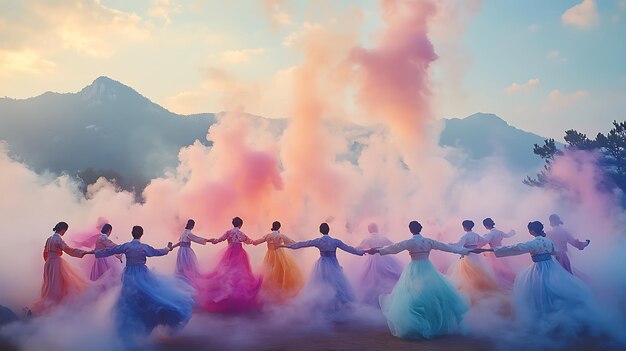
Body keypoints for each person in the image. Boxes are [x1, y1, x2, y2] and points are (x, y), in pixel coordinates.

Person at [472, 221, 603, 338]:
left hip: (540, 269)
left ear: (532, 231)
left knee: (540, 291)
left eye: (529, 230)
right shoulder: (547, 241)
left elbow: (515, 248)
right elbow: (555, 252)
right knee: (554, 290)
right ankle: (558, 317)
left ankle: (547, 319)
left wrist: (487, 249)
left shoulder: (534, 243)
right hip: (551, 267)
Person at [366, 221, 470, 339]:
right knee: (433, 294)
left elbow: (394, 248)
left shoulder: (409, 242)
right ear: (420, 229)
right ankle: (434, 322)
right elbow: (446, 247)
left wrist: (378, 250)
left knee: (413, 295)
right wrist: (465, 251)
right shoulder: (428, 241)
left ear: (411, 230)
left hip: (414, 269)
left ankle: (419, 324)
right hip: (428, 268)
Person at [94, 226, 193, 344]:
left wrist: (94, 252)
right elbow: (158, 252)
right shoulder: (143, 247)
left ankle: (127, 331)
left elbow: (110, 251)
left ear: (132, 234)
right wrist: (167, 248)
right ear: (141, 235)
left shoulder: (126, 246)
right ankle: (143, 325)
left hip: (130, 275)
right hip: (142, 274)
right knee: (147, 298)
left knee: (129, 300)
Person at [284, 222, 364, 318]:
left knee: (321, 285)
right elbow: (349, 249)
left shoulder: (318, 241)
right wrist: (361, 252)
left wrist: (287, 246)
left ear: (320, 231)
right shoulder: (335, 241)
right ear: (328, 230)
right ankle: (338, 308)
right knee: (336, 286)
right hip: (333, 265)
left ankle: (322, 309)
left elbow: (303, 244)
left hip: (322, 265)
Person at [198, 217, 262, 313]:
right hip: (240, 253)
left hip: (230, 252)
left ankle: (226, 296)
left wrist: (209, 240)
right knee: (240, 274)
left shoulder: (228, 232)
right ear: (240, 225)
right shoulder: (241, 233)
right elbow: (250, 241)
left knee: (226, 272)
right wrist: (259, 241)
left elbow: (218, 240)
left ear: (233, 224)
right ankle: (238, 298)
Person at [32, 222, 92, 314]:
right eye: (65, 230)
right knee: (58, 285)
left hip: (48, 263)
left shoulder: (49, 239)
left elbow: (45, 253)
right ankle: (55, 308)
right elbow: (69, 250)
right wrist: (83, 252)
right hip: (56, 262)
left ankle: (49, 306)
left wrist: (48, 262)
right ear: (63, 229)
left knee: (49, 285)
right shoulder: (58, 240)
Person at [447, 220, 504, 306]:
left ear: (464, 227)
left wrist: (450, 244)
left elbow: (458, 245)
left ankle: (472, 289)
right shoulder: (475, 235)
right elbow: (483, 241)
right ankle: (481, 287)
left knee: (467, 273)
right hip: (476, 256)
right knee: (478, 271)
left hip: (468, 256)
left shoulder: (465, 236)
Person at [252, 221, 304, 302]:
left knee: (269, 270)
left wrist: (252, 242)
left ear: (272, 226)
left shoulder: (268, 236)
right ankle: (281, 288)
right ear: (279, 227)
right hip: (280, 253)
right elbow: (290, 241)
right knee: (282, 269)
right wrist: (299, 244)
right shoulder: (281, 235)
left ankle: (270, 289)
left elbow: (259, 241)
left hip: (270, 254)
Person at [355, 223, 402, 306]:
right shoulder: (382, 237)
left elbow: (360, 247)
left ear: (370, 229)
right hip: (384, 256)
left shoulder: (368, 238)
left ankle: (375, 296)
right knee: (388, 273)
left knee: (371, 275)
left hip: (373, 258)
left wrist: (354, 248)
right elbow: (393, 244)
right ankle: (389, 293)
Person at [172, 219, 211, 287]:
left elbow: (180, 243)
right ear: (192, 226)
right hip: (186, 251)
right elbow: (197, 239)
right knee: (189, 266)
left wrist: (172, 247)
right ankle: (188, 282)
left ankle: (182, 281)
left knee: (182, 266)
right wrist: (209, 240)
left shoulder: (183, 232)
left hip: (181, 251)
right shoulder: (189, 233)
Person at [481, 218, 517, 290]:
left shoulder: (490, 234)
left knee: (496, 270)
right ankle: (511, 281)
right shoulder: (499, 232)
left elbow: (483, 242)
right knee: (504, 266)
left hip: (494, 252)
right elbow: (508, 235)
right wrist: (512, 232)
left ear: (486, 226)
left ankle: (502, 285)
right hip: (502, 251)